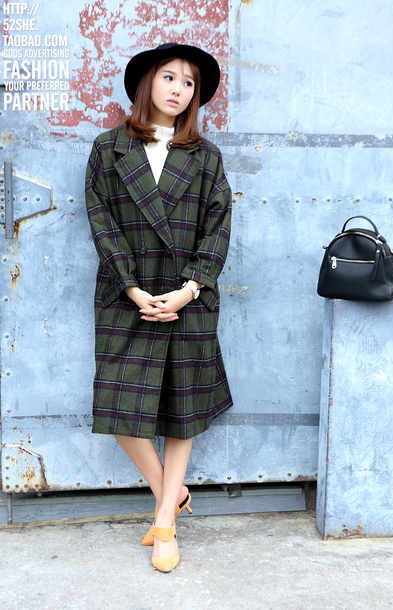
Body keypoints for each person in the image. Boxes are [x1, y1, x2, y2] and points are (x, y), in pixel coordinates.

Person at [85, 42, 233, 572]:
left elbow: (218, 228)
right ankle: (172, 492)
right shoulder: (108, 148)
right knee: (121, 410)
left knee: (179, 415)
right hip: (126, 295)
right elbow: (101, 223)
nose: (179, 89)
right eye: (169, 77)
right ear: (147, 82)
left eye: (189, 82)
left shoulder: (206, 156)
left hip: (187, 299)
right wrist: (131, 288)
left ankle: (165, 521)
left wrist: (190, 290)